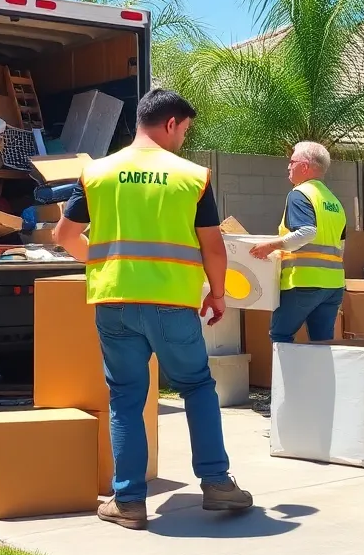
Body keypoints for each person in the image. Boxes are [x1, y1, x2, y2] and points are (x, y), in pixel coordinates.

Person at [53, 88, 253, 530]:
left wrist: (107, 265)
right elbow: (213, 247)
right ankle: (217, 484)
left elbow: (64, 236)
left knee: (126, 398)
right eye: (185, 129)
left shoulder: (97, 173)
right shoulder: (192, 177)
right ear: (170, 124)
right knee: (197, 387)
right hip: (172, 304)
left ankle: (128, 501)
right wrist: (217, 294)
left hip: (115, 303)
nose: (184, 138)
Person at [249, 141, 348, 345]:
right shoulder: (334, 202)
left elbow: (306, 232)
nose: (288, 166)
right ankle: (320, 379)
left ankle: (287, 379)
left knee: (280, 336)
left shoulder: (300, 194)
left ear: (305, 166)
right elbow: (341, 245)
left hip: (303, 282)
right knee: (322, 343)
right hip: (333, 286)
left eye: (292, 161)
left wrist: (270, 246)